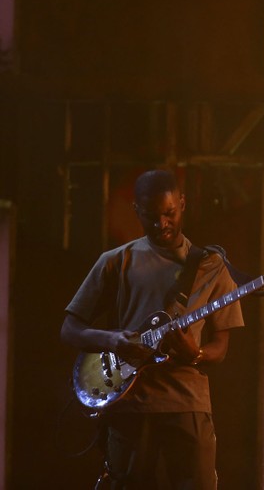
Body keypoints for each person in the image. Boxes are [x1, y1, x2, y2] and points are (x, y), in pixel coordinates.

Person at [60, 169, 244, 489]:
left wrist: (196, 354)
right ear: (137, 211)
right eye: (151, 215)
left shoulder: (212, 266)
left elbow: (221, 348)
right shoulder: (115, 261)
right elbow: (70, 329)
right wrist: (114, 340)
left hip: (188, 404)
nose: (162, 224)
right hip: (130, 405)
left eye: (170, 213)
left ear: (182, 204)